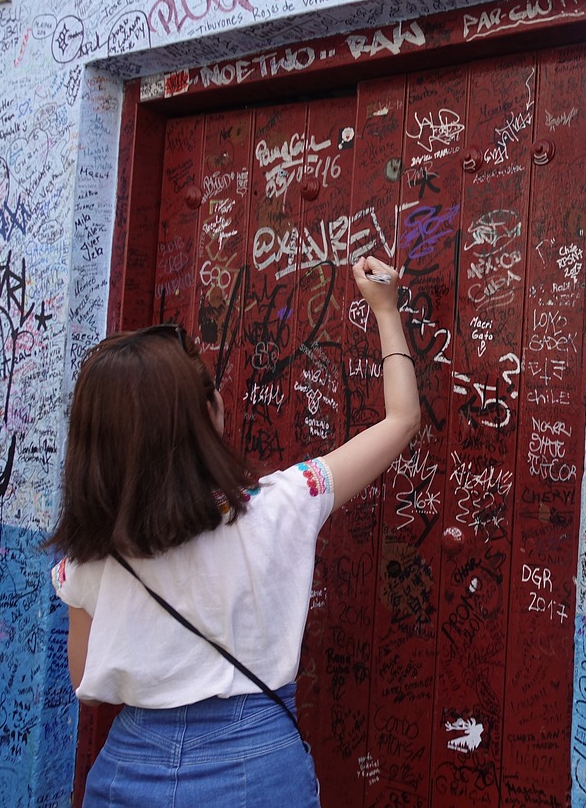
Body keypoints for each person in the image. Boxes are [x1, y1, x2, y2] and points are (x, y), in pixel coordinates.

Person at [45, 255, 419, 807]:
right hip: (255, 768)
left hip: (129, 769)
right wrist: (386, 311)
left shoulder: (88, 557)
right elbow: (400, 420)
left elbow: (86, 685)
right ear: (209, 413)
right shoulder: (281, 505)